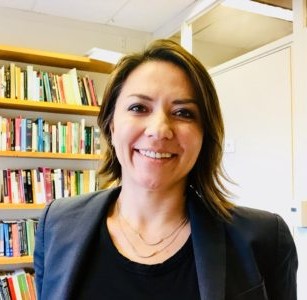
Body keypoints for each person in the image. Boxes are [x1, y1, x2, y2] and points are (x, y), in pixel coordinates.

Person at [34, 39, 298, 300]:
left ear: (204, 135)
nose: (160, 129)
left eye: (183, 113)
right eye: (139, 108)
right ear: (111, 126)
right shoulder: (57, 224)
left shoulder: (264, 239)